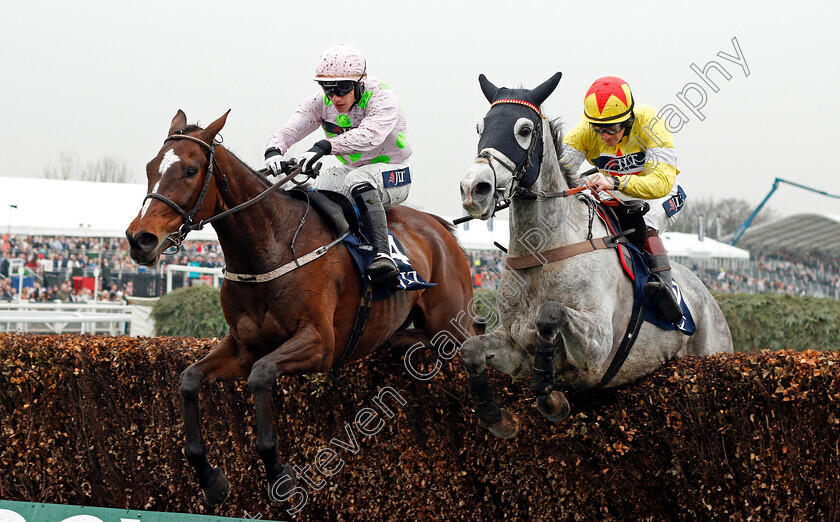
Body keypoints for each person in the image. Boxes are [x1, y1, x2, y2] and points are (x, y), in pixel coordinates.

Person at [264, 44, 413, 281]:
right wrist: (274, 150)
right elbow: (291, 128)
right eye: (328, 89)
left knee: (358, 178)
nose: (335, 97)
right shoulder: (320, 102)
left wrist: (323, 147)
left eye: (343, 89)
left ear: (359, 83)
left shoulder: (383, 98)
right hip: (351, 168)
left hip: (393, 172)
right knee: (309, 189)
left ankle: (383, 254)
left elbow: (370, 135)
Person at [561, 76, 685, 322]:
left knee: (645, 225)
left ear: (628, 120)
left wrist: (616, 181)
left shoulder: (651, 121)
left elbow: (661, 183)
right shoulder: (584, 130)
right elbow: (559, 172)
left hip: (660, 192)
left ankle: (665, 290)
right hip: (614, 190)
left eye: (613, 129)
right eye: (599, 129)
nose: (606, 136)